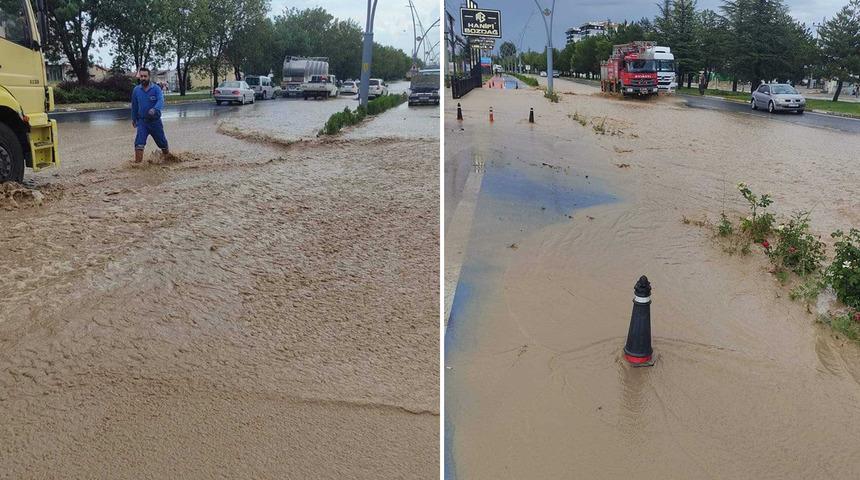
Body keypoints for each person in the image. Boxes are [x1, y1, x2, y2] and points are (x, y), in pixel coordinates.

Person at [131, 67, 169, 163]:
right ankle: (137, 166)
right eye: (141, 76)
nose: (143, 78)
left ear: (149, 77)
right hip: (142, 122)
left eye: (145, 76)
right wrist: (133, 118)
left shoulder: (156, 89)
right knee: (139, 144)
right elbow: (134, 105)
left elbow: (161, 100)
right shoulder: (136, 90)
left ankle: (169, 159)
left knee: (162, 143)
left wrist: (155, 109)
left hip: (155, 122)